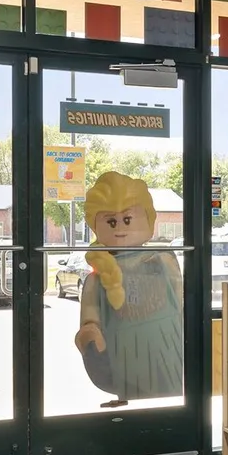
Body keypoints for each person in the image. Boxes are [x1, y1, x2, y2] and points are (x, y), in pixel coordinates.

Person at [76, 172, 182, 406]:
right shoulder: (97, 277)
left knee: (169, 399)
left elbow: (181, 302)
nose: (120, 228)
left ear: (149, 220)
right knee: (135, 396)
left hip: (169, 349)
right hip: (124, 353)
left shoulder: (163, 260)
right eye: (111, 221)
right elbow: (89, 321)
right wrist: (91, 338)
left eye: (128, 219)